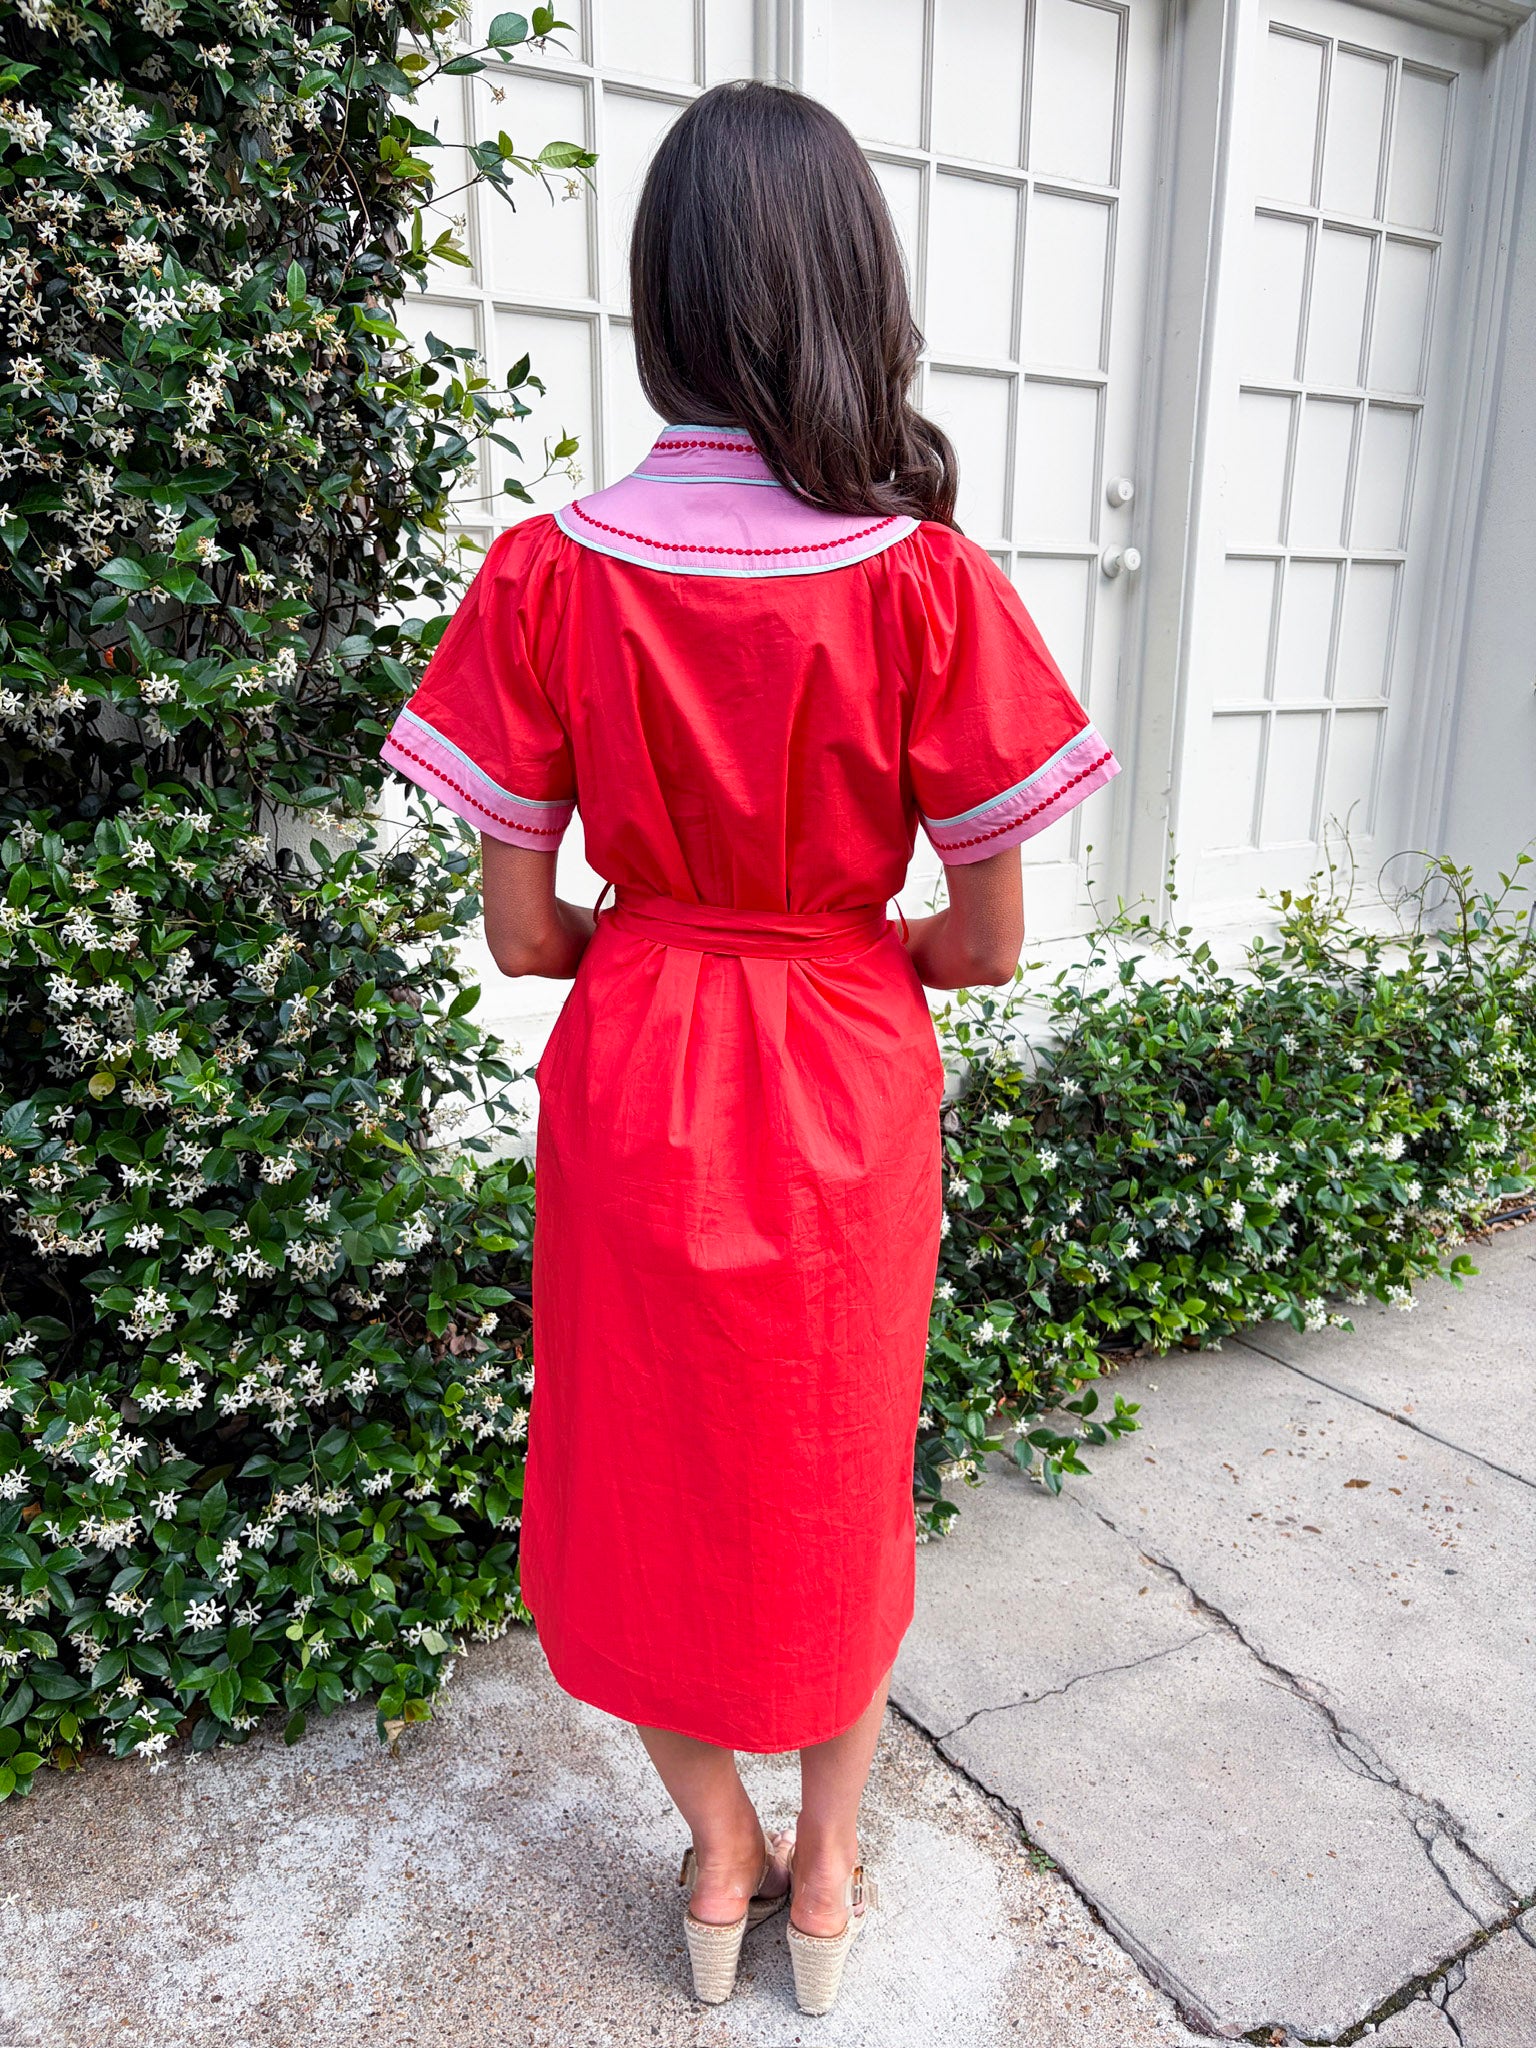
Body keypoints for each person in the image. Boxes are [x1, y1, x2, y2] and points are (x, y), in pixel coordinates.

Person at [381, 78, 1119, 2017]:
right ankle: (827, 1874)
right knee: (828, 1481)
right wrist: (854, 949)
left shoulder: (553, 571)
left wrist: (668, 930)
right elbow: (987, 934)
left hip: (637, 1067)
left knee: (636, 1486)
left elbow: (528, 929)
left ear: (660, 307)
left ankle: (715, 1848)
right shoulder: (920, 584)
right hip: (846, 1070)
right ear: (854, 295)